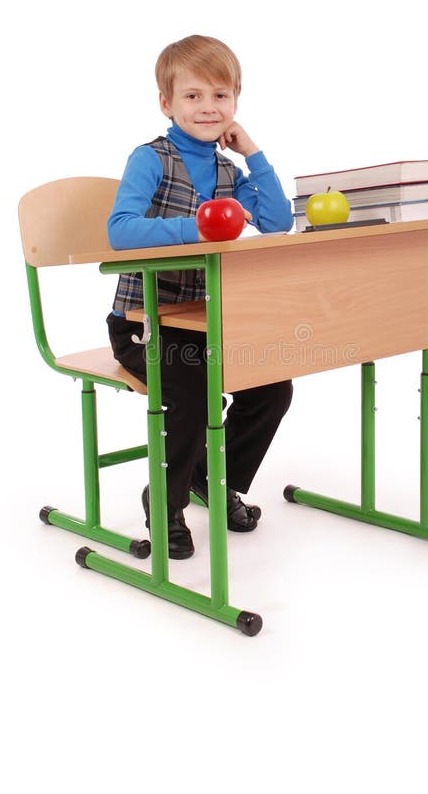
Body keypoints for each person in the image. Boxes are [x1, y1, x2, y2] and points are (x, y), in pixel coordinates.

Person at [106, 35, 294, 559]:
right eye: (192, 96)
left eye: (220, 95)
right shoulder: (151, 159)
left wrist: (252, 152)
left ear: (235, 103)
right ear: (166, 103)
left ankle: (212, 479)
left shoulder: (231, 172)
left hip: (205, 320)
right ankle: (164, 501)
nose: (207, 107)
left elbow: (278, 222)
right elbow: (121, 231)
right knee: (191, 390)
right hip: (145, 325)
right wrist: (198, 228)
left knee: (272, 385)